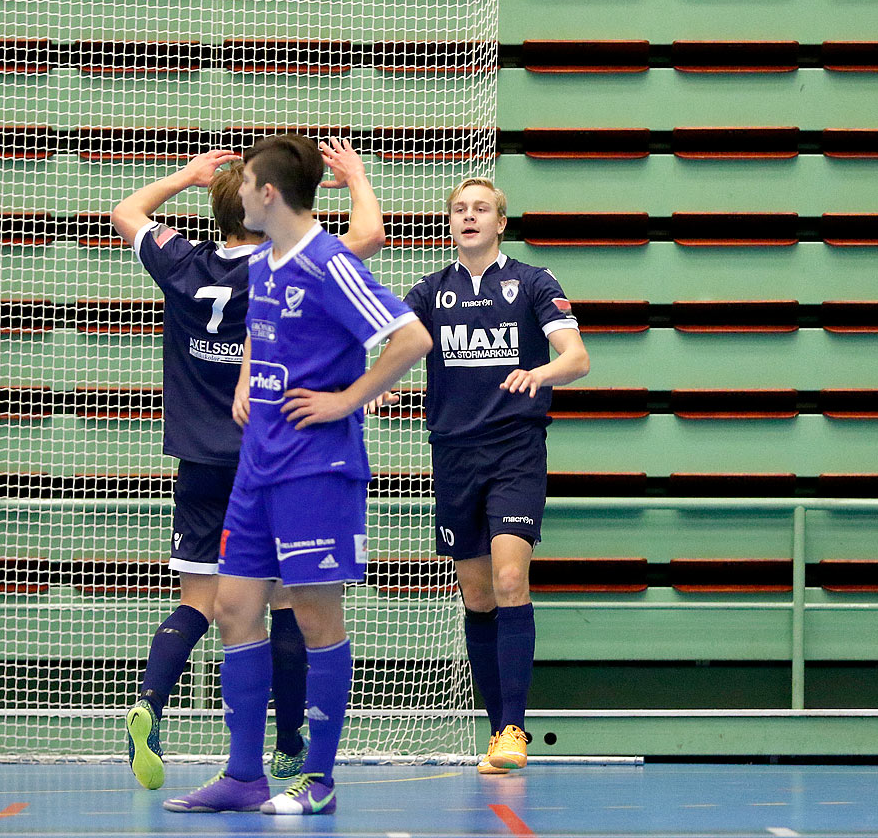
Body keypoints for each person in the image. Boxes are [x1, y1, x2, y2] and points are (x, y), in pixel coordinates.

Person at [162, 133, 431, 816]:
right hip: (257, 464)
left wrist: (348, 398)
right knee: (232, 609)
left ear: (269, 193)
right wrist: (248, 377)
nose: (237, 193)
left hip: (317, 466)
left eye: (245, 182)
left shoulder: (328, 262)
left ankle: (319, 779)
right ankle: (244, 775)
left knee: (313, 616)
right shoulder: (268, 263)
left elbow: (410, 338)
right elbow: (262, 328)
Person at [108, 140, 386, 792]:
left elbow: (125, 211)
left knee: (233, 605)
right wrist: (357, 179)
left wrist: (188, 175)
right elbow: (366, 237)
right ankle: (272, 755)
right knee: (264, 605)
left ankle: (164, 702)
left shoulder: (205, 261)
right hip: (264, 455)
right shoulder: (272, 262)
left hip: (234, 457)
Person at [402, 178, 590, 775]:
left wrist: (542, 372)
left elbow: (577, 358)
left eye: (481, 208)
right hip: (453, 455)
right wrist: (375, 391)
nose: (469, 216)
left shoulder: (534, 283)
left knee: (511, 579)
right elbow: (395, 352)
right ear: (449, 223)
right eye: (459, 209)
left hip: (514, 449)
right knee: (477, 595)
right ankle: (494, 734)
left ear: (501, 222)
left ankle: (515, 730)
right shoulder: (430, 291)